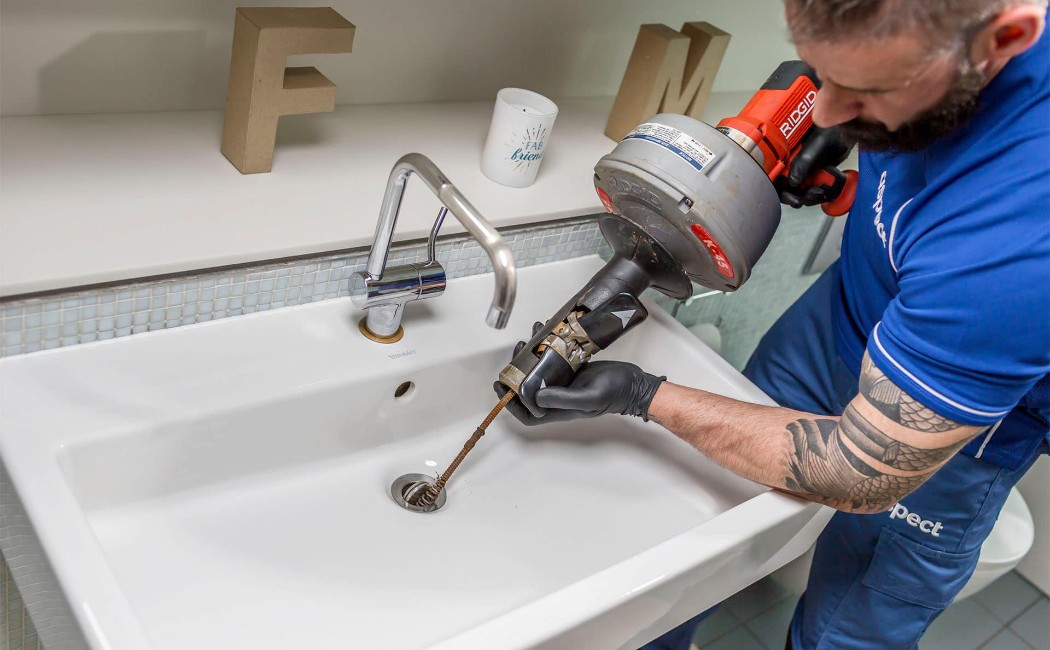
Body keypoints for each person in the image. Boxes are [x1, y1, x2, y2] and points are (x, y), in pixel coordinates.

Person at [498, 1, 1050, 648]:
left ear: (1005, 38)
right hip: (842, 317)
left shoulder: (1019, 244)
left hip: (958, 435)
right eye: (823, 68)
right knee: (704, 527)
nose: (823, 110)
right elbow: (915, 191)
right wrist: (850, 170)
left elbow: (857, 470)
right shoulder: (921, 52)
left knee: (844, 632)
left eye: (868, 88)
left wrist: (640, 394)